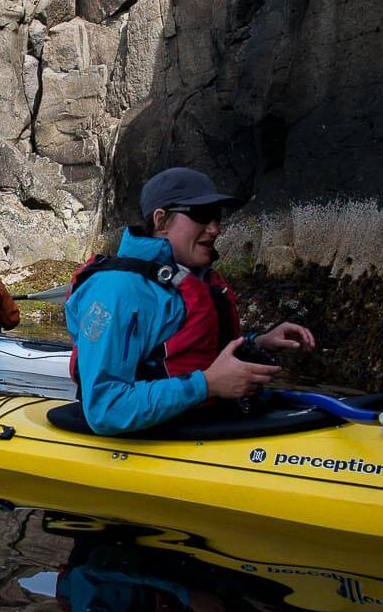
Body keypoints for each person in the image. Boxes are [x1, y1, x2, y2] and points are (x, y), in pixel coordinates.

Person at [66, 166, 315, 435]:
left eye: (217, 217)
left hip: (200, 423)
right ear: (161, 221)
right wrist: (206, 385)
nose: (215, 228)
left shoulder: (192, 279)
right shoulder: (117, 290)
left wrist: (257, 343)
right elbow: (106, 409)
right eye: (201, 215)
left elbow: (194, 353)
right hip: (144, 440)